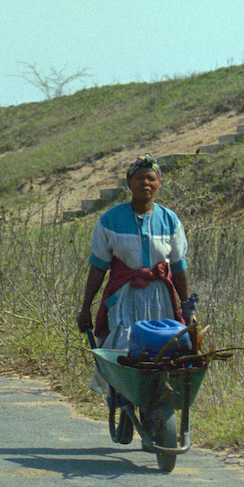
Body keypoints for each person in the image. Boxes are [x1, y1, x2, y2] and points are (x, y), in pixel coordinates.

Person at [75, 154, 191, 368]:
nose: (145, 183)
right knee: (123, 350)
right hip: (124, 299)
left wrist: (187, 307)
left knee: (163, 352)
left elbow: (178, 266)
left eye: (151, 178)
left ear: (159, 183)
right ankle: (122, 397)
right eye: (139, 179)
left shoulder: (170, 220)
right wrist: (85, 308)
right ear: (129, 183)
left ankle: (154, 398)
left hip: (160, 300)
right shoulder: (110, 220)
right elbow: (98, 267)